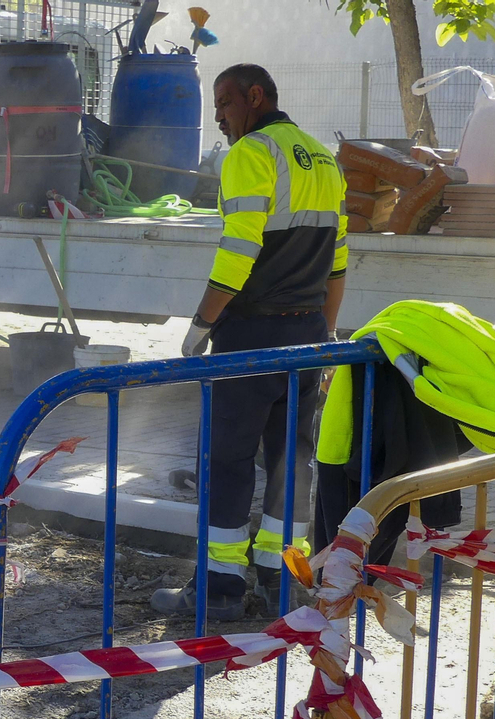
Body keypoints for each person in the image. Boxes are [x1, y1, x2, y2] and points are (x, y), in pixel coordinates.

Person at [150, 63, 347, 621]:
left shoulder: (250, 156)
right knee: (293, 459)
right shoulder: (323, 157)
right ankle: (283, 582)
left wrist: (198, 329)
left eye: (225, 103)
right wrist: (326, 336)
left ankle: (218, 590)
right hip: (306, 335)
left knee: (228, 461)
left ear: (255, 96)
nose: (218, 117)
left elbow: (238, 252)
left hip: (250, 337)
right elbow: (337, 262)